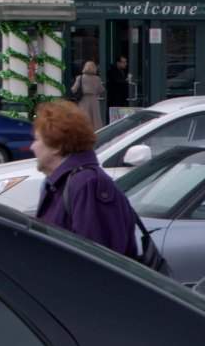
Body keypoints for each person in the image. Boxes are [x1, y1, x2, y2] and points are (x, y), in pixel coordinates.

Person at [33, 100, 138, 259]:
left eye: (37, 139)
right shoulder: (63, 183)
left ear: (57, 146)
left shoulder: (87, 184)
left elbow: (99, 260)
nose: (32, 147)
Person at [71, 61, 105, 131]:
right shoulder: (97, 79)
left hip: (84, 99)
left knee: (84, 117)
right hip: (94, 100)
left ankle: (84, 131)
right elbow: (101, 90)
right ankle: (97, 132)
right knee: (95, 118)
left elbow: (73, 89)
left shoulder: (80, 78)